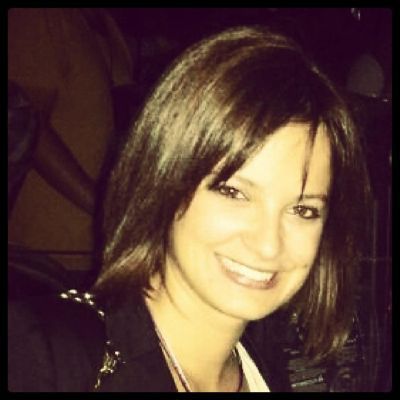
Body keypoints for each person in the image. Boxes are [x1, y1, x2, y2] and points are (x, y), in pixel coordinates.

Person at [8, 25, 370, 392]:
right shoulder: (42, 356)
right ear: (164, 179)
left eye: (303, 210)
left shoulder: (274, 367)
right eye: (233, 192)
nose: (268, 245)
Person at [8, 8, 134, 270]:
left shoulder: (107, 24)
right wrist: (101, 208)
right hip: (46, 251)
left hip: (99, 245)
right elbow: (28, 132)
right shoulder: (40, 18)